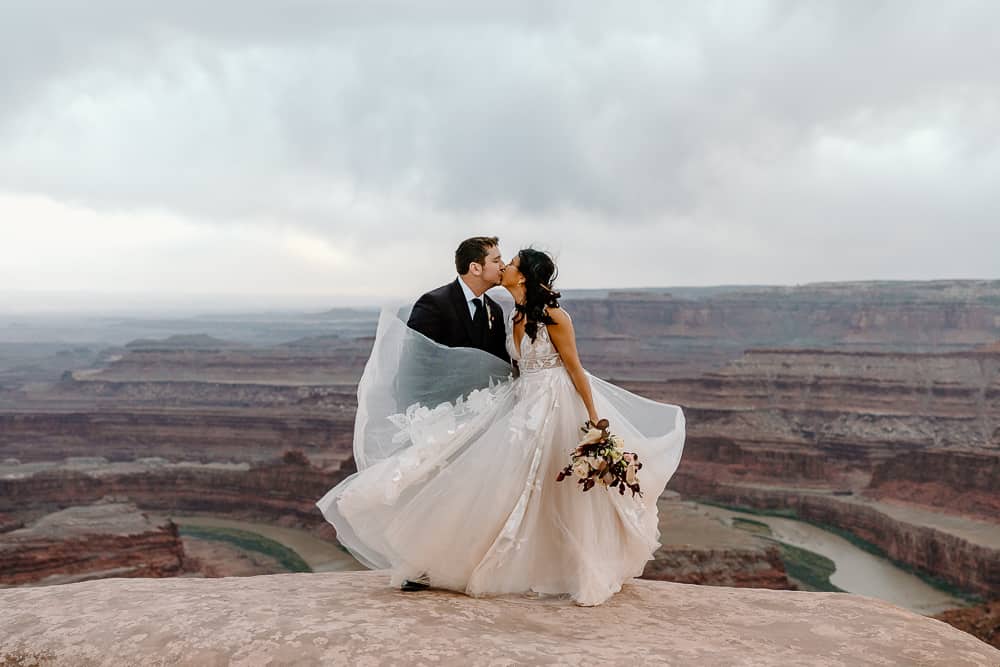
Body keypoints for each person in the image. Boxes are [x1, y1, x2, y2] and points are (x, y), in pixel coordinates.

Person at [317, 248, 685, 606]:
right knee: (505, 486)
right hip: (522, 405)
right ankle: (485, 559)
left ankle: (576, 567)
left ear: (522, 276)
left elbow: (575, 368)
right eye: (500, 260)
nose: (504, 266)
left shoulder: (556, 317)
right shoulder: (512, 316)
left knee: (560, 491)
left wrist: (594, 420)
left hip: (558, 406)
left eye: (510, 263)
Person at [406, 236, 509, 363]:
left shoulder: (495, 310)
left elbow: (500, 361)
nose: (503, 266)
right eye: (496, 261)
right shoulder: (433, 304)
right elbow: (415, 362)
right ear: (475, 268)